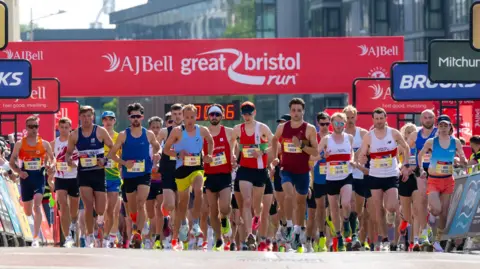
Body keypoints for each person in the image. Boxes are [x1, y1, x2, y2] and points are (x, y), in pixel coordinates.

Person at [106, 103, 161, 249]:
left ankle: (138, 233)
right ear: (129, 118)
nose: (136, 119)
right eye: (133, 116)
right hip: (129, 175)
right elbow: (112, 154)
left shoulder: (148, 134)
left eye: (138, 116)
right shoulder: (124, 135)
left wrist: (158, 153)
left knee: (141, 201)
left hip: (144, 173)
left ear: (142, 117)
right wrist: (124, 162)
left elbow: (157, 146)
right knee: (132, 208)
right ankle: (137, 223)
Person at [163, 104, 214, 250]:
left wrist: (208, 154)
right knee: (182, 205)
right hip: (181, 170)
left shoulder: (202, 130)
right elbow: (166, 149)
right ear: (183, 118)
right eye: (187, 117)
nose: (189, 120)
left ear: (196, 117)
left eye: (192, 117)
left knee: (198, 190)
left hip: (197, 167)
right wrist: (178, 154)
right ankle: (179, 231)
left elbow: (210, 141)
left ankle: (196, 223)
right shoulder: (177, 131)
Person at [358, 107, 410, 251]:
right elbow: (362, 154)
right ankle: (384, 238)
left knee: (392, 206)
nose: (379, 121)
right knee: (378, 208)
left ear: (385, 118)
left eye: (382, 118)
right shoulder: (368, 136)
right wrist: (362, 158)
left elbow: (406, 148)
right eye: (377, 119)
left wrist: (405, 165)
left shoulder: (393, 133)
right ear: (373, 119)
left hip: (391, 173)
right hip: (375, 175)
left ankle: (390, 214)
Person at [272, 98, 319, 252]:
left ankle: (298, 232)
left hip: (303, 172)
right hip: (286, 169)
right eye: (294, 110)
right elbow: (273, 139)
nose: (296, 113)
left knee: (300, 203)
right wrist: (274, 156)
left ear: (303, 111)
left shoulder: (309, 129)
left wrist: (302, 145)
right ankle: (289, 225)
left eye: (299, 110)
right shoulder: (282, 127)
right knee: (288, 195)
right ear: (290, 111)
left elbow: (315, 151)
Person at [66, 106, 115, 248]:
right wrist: (70, 159)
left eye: (89, 116)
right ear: (79, 117)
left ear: (92, 117)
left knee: (100, 209)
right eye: (83, 116)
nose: (86, 119)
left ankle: (99, 223)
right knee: (88, 206)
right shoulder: (75, 134)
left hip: (98, 173)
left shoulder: (100, 131)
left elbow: (112, 147)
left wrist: (105, 159)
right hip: (84, 174)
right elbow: (69, 152)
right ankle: (89, 236)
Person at [418, 115, 467, 252]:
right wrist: (421, 169)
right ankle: (426, 229)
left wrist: (462, 160)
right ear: (437, 127)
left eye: (446, 125)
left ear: (450, 126)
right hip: (433, 180)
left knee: (444, 213)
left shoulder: (455, 142)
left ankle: (437, 240)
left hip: (448, 180)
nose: (443, 128)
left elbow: (462, 155)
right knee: (437, 209)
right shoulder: (431, 142)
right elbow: (420, 155)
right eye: (441, 125)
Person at [230, 101, 273, 250]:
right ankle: (250, 235)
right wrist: (232, 156)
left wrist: (262, 151)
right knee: (246, 201)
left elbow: (274, 143)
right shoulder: (238, 129)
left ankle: (257, 217)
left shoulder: (261, 128)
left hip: (260, 170)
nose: (247, 116)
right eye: (244, 114)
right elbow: (232, 141)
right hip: (245, 170)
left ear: (254, 113)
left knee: (256, 206)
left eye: (249, 113)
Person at [9, 116, 55, 248]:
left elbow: (52, 159)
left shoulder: (44, 144)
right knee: (28, 211)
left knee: (37, 204)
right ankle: (28, 214)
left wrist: (50, 166)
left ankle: (35, 238)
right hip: (26, 178)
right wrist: (19, 172)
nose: (34, 129)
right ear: (26, 127)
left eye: (36, 126)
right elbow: (12, 162)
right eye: (31, 126)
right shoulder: (20, 144)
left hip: (39, 178)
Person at [317, 112, 355, 251]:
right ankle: (338, 237)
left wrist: (352, 159)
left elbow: (352, 152)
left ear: (344, 124)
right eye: (336, 123)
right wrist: (323, 155)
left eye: (341, 123)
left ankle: (346, 221)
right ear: (332, 124)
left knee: (345, 203)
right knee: (333, 209)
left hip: (346, 175)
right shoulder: (326, 139)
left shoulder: (349, 138)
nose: (339, 126)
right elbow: (316, 154)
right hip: (331, 177)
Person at [203, 104, 234, 251]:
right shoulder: (203, 133)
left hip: (224, 175)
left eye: (217, 114)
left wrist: (234, 158)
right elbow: (196, 152)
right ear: (208, 116)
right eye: (212, 115)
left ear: (222, 116)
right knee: (213, 210)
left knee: (225, 207)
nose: (214, 117)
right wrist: (204, 158)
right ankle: (218, 239)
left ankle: (225, 219)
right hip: (209, 176)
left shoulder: (228, 132)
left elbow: (237, 147)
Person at [406, 109, 437, 250]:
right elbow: (407, 152)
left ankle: (431, 225)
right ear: (421, 120)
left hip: (437, 170)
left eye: (430, 117)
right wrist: (410, 166)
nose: (428, 119)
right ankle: (424, 232)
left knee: (435, 204)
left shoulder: (439, 132)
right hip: (421, 171)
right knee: (422, 199)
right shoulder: (414, 135)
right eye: (425, 117)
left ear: (434, 119)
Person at [51, 117, 79, 248]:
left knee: (73, 210)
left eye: (66, 127)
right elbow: (50, 158)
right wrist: (50, 166)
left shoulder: (76, 142)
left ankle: (73, 223)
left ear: (70, 128)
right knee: (62, 206)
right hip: (60, 178)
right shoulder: (54, 143)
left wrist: (75, 164)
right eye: (61, 127)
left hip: (74, 177)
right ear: (58, 128)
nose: (63, 130)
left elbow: (82, 158)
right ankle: (67, 237)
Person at [343, 105, 369, 249]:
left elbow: (370, 149)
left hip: (360, 174)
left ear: (356, 117)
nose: (350, 120)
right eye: (347, 117)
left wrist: (363, 157)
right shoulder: (341, 134)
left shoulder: (363, 133)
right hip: (346, 174)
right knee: (350, 204)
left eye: (352, 117)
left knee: (359, 209)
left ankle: (357, 235)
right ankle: (351, 235)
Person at [100, 111, 123, 248]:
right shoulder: (98, 135)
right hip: (99, 176)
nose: (108, 122)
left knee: (112, 210)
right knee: (100, 210)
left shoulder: (119, 137)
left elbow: (122, 155)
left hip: (114, 176)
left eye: (111, 119)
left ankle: (107, 237)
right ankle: (97, 230)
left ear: (115, 121)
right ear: (102, 121)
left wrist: (121, 164)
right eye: (105, 119)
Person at [310, 112, 331, 252]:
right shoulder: (314, 138)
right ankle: (321, 236)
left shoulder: (334, 137)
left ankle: (332, 241)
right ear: (318, 124)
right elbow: (310, 160)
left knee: (333, 209)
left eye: (327, 124)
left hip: (334, 177)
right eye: (322, 124)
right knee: (320, 208)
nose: (324, 127)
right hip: (318, 178)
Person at [146, 116, 165, 249]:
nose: (156, 130)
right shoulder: (145, 143)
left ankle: (158, 237)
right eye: (153, 127)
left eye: (158, 127)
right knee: (150, 212)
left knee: (160, 210)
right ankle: (151, 234)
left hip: (161, 180)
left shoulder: (166, 143)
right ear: (149, 129)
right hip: (148, 180)